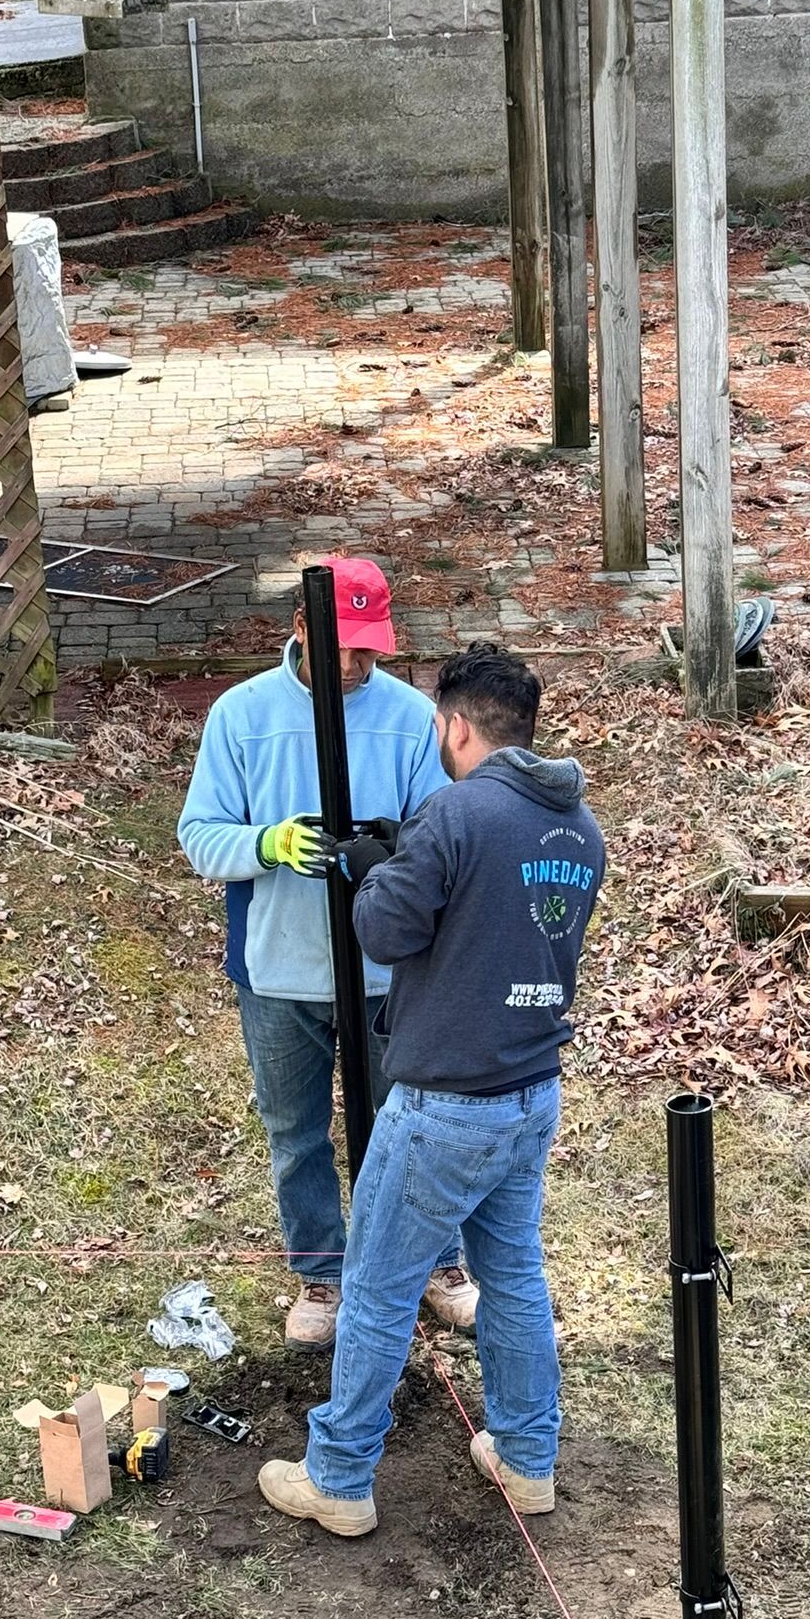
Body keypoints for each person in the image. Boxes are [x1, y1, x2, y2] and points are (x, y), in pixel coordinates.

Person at [258, 644, 606, 1536]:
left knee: (377, 1287)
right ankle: (528, 1460)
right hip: (531, 1090)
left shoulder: (454, 814)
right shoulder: (579, 829)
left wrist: (374, 868)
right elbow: (492, 924)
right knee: (514, 1276)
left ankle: (339, 1477)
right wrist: (407, 855)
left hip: (445, 1103)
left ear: (453, 726)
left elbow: (383, 932)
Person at [178, 556, 480, 1349]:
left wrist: (392, 850)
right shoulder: (242, 716)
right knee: (296, 1130)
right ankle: (322, 1272)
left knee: (411, 1123)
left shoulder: (410, 717)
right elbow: (200, 835)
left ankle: (437, 1261)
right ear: (302, 627)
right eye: (341, 645)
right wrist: (268, 844)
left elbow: (444, 832)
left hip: (390, 971)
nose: (355, 663)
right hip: (278, 969)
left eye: (369, 647)